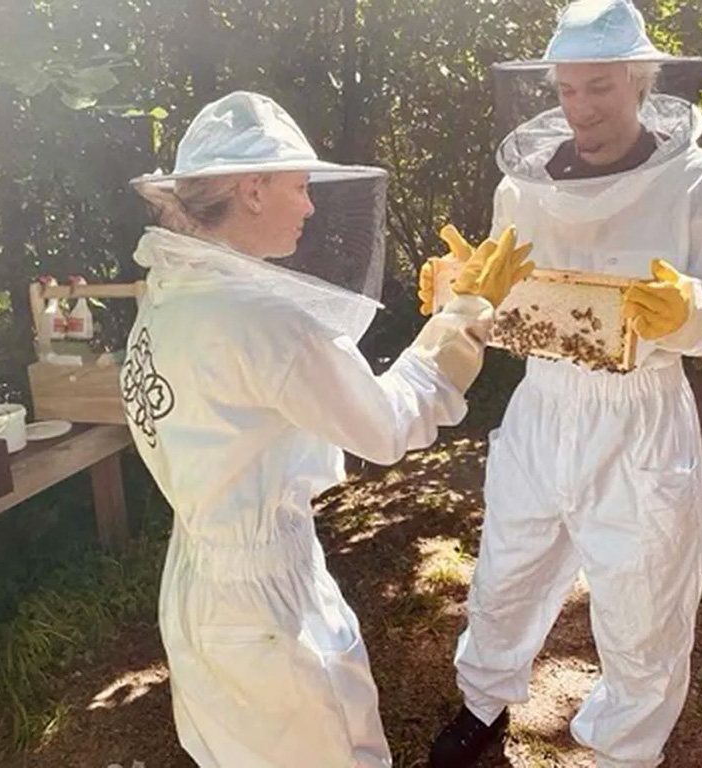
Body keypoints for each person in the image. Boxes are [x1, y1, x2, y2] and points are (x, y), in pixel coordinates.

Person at [120, 90, 534, 768]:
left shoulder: (167, 296)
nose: (310, 205)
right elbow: (387, 424)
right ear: (253, 190)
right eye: (300, 185)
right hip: (264, 611)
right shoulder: (260, 319)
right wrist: (464, 313)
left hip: (196, 585)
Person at [421, 2, 702, 767]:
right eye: (569, 89)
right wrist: (460, 294)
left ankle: (625, 753)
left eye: (600, 87)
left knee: (644, 599)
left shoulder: (697, 183)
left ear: (640, 81)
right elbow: (506, 298)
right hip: (544, 401)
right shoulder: (525, 187)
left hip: (641, 412)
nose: (581, 108)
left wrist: (692, 309)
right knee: (508, 566)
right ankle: (483, 706)